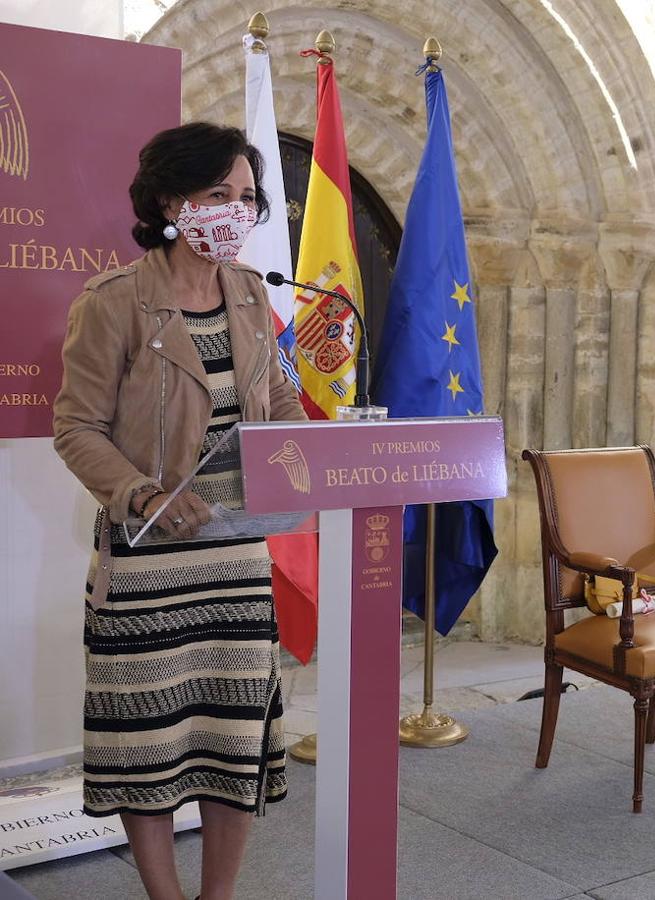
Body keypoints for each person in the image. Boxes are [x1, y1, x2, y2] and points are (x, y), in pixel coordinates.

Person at [52, 122, 308, 900]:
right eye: (216, 195)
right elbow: (76, 426)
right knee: (149, 742)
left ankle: (217, 894)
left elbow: (278, 401)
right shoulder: (115, 302)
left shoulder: (252, 295)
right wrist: (146, 493)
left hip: (236, 559)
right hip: (149, 563)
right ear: (170, 200)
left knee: (230, 740)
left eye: (247, 198)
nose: (234, 212)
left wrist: (307, 456)